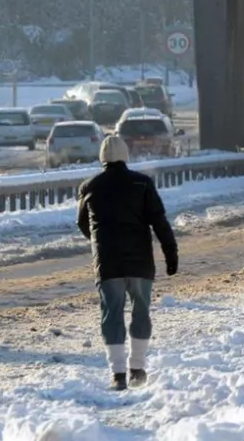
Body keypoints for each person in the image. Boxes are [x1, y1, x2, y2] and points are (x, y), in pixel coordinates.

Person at [77, 134, 178, 391]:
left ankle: (118, 374)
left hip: (108, 262)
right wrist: (170, 252)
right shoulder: (142, 183)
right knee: (141, 311)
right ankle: (138, 368)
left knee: (111, 315)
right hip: (140, 262)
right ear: (125, 156)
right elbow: (159, 221)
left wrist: (98, 242)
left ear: (102, 158)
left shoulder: (89, 187)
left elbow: (82, 224)